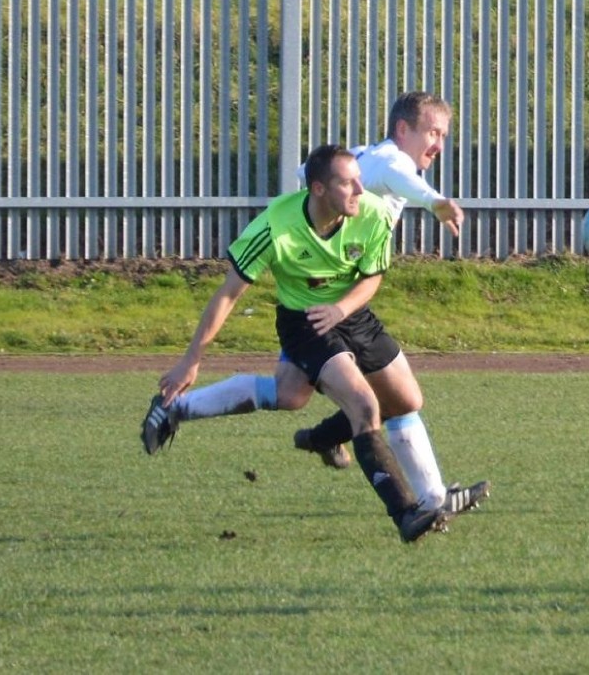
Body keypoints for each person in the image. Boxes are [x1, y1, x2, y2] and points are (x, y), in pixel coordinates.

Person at [141, 144, 446, 543]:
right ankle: (406, 513)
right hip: (306, 324)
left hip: (352, 315)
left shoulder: (372, 213)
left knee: (397, 402)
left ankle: (181, 410)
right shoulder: (275, 225)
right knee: (365, 405)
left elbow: (372, 277)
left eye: (359, 179)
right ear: (317, 189)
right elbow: (228, 293)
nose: (360, 188)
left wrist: (340, 308)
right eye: (347, 182)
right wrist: (191, 359)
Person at [289, 92, 489, 519]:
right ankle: (179, 406)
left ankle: (427, 493)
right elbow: (406, 181)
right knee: (295, 393)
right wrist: (435, 202)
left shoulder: (367, 159)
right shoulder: (389, 161)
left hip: (344, 298)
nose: (438, 144)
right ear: (403, 130)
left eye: (444, 135)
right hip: (328, 304)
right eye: (433, 132)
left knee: (388, 396)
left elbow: (301, 175)